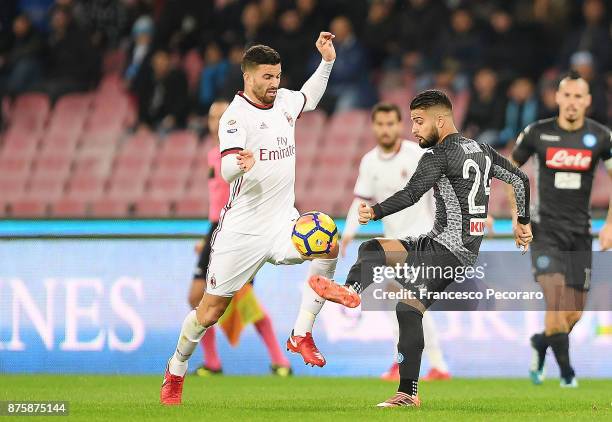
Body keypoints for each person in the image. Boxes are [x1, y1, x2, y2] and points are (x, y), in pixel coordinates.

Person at [309, 89, 532, 407]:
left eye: (418, 122)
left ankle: (407, 393)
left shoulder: (438, 155)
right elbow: (520, 177)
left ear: (440, 121)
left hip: (448, 251)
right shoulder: (482, 150)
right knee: (375, 249)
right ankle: (353, 291)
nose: (412, 130)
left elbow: (413, 193)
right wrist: (522, 221)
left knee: (407, 308)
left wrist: (375, 211)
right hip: (439, 242)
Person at [161, 32, 337, 405]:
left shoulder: (287, 101)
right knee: (208, 312)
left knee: (328, 239)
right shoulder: (234, 117)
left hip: (282, 225)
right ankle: (176, 370)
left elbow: (311, 94)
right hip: (241, 232)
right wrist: (237, 165)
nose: (274, 84)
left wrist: (326, 62)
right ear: (248, 77)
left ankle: (301, 334)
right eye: (267, 77)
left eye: (278, 76)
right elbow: (225, 167)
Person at [511, 71, 612, 388]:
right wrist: (518, 215)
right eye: (566, 96)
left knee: (573, 314)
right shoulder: (536, 133)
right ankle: (568, 374)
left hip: (580, 234)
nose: (571, 102)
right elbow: (511, 171)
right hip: (545, 231)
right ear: (557, 98)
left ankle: (541, 344)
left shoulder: (601, 137)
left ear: (588, 102)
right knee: (555, 301)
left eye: (578, 97)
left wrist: (610, 224)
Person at [340, 102, 450, 382]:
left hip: (422, 240)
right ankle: (434, 366)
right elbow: (361, 201)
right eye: (381, 124)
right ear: (374, 127)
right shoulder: (369, 161)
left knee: (407, 304)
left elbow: (442, 187)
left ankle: (416, 365)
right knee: (405, 306)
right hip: (393, 244)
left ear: (400, 126)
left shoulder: (416, 155)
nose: (386, 129)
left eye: (391, 124)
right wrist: (348, 233)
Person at [188, 100, 291, 377]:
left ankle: (280, 359)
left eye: (222, 117)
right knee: (197, 297)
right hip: (215, 230)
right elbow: (217, 202)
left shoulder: (249, 153)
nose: (216, 122)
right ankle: (212, 362)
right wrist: (206, 237)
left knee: (244, 299)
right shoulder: (213, 155)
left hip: (241, 230)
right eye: (212, 117)